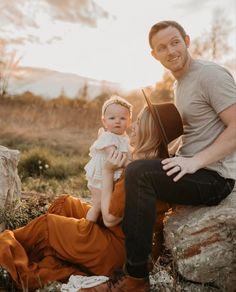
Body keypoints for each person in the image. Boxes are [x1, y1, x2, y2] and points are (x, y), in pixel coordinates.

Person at [80, 20, 236, 292]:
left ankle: (136, 277)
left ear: (187, 41)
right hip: (195, 169)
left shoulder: (210, 75)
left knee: (140, 173)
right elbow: (198, 131)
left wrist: (193, 161)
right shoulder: (181, 83)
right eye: (162, 47)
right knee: (137, 168)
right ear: (154, 55)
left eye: (175, 42)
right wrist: (173, 153)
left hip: (216, 177)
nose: (171, 51)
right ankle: (123, 252)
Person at [0, 101, 182, 291]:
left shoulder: (139, 172)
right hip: (125, 238)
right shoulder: (156, 162)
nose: (132, 126)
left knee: (47, 226)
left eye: (138, 121)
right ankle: (57, 257)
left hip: (118, 248)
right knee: (65, 204)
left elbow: (111, 218)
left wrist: (107, 171)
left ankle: (12, 263)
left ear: (150, 130)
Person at [84, 95, 132, 222]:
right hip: (100, 177)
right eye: (112, 118)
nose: (117, 121)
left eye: (122, 118)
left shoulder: (125, 138)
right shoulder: (107, 137)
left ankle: (99, 226)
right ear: (104, 121)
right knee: (98, 205)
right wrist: (131, 164)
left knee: (108, 203)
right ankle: (86, 227)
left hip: (112, 176)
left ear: (129, 121)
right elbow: (115, 156)